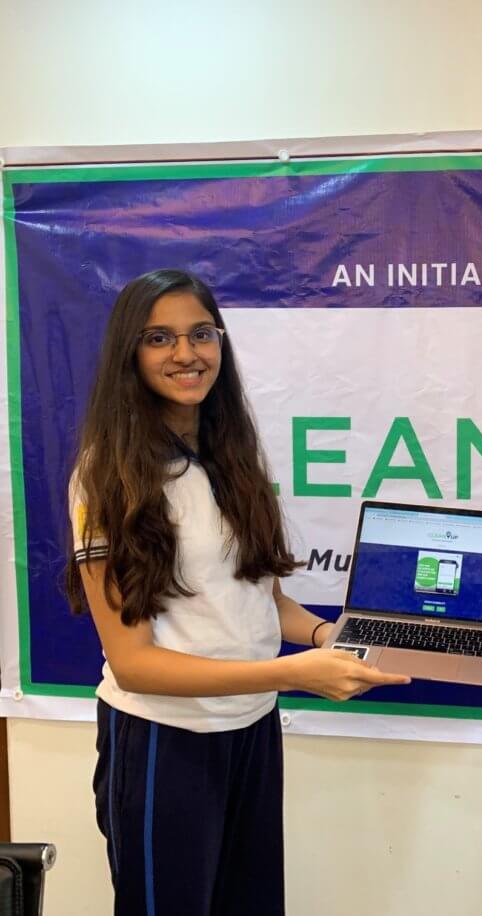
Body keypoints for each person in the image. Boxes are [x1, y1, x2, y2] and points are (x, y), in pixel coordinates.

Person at [65, 269, 410, 916]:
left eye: (201, 334)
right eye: (159, 338)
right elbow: (135, 662)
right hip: (163, 742)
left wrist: (327, 638)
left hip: (250, 730)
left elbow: (263, 600)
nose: (186, 354)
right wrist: (295, 672)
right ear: (129, 354)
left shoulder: (234, 458)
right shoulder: (103, 477)